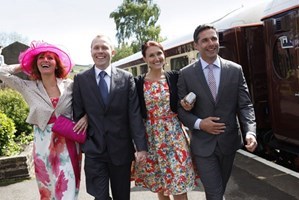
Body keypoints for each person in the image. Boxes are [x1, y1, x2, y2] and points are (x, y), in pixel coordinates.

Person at [177, 24, 258, 200]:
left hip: (229, 143)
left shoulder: (235, 70)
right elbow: (181, 111)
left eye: (214, 38)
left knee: (218, 191)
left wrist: (250, 132)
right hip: (203, 146)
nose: (211, 43)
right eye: (205, 40)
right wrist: (200, 124)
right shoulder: (186, 74)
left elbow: (245, 105)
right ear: (196, 46)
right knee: (215, 193)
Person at [0, 41, 87, 200]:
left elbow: (90, 104)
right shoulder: (28, 87)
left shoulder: (70, 85)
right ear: (36, 63)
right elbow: (2, 72)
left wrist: (86, 118)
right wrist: (23, 65)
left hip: (67, 144)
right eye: (41, 58)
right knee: (47, 191)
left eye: (50, 58)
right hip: (42, 145)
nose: (45, 60)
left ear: (57, 64)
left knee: (66, 190)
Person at [72, 34, 148, 200]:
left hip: (121, 150)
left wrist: (141, 147)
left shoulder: (126, 78)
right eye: (96, 48)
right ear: (91, 52)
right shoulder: (80, 79)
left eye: (104, 47)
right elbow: (77, 113)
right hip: (94, 150)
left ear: (112, 52)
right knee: (100, 197)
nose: (100, 51)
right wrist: (86, 117)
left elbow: (134, 114)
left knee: (122, 196)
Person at [133, 41, 196, 200]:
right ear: (145, 59)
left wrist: (187, 105)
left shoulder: (175, 77)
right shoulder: (138, 82)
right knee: (161, 185)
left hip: (175, 136)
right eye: (151, 55)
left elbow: (183, 102)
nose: (156, 58)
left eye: (159, 53)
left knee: (179, 183)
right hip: (151, 139)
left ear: (164, 54)